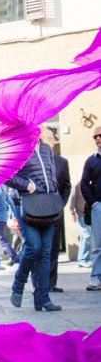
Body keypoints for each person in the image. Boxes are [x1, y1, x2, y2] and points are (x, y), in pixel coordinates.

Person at [8, 127, 62, 312]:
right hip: (26, 204)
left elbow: (51, 174)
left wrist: (54, 192)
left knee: (46, 252)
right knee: (34, 246)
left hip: (47, 204)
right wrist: (27, 186)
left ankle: (43, 299)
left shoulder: (46, 149)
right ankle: (19, 284)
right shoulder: (18, 150)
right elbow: (7, 175)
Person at [44, 126, 71, 293]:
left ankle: (51, 283)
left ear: (54, 140)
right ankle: (40, 283)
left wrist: (61, 204)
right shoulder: (34, 160)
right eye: (43, 138)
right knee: (39, 248)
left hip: (56, 210)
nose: (47, 141)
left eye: (50, 137)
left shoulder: (62, 162)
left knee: (53, 247)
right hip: (37, 210)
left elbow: (67, 186)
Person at [81, 125, 101, 291]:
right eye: (95, 137)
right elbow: (84, 184)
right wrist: (93, 203)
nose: (98, 139)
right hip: (98, 206)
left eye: (100, 136)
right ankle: (95, 277)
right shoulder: (91, 160)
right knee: (98, 244)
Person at [70, 180, 92, 267]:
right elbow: (71, 199)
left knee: (84, 237)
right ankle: (83, 259)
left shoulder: (92, 185)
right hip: (80, 215)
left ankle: (81, 260)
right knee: (87, 236)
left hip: (89, 215)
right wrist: (72, 213)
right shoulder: (77, 185)